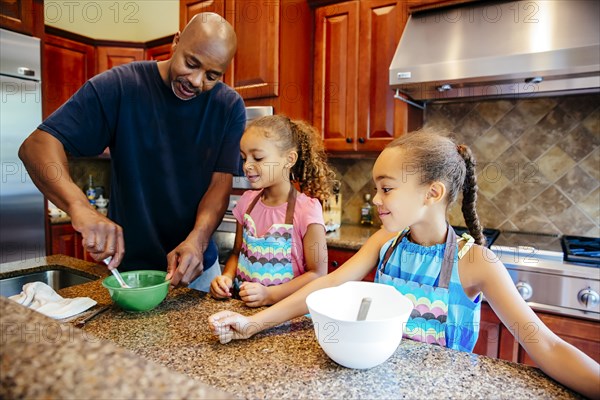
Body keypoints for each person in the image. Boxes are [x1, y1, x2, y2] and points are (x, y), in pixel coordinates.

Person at [208, 130, 600, 398]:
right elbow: (326, 285)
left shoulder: (476, 262)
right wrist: (253, 323)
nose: (376, 199)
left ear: (432, 193)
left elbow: (545, 344)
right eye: (377, 188)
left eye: (386, 188)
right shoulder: (385, 242)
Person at [18, 13, 246, 291]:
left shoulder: (229, 106)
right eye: (191, 63)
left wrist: (198, 240)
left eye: (212, 75)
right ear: (176, 42)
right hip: (129, 273)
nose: (197, 81)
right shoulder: (121, 86)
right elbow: (37, 146)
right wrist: (80, 207)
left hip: (196, 269)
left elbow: (219, 185)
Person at [210, 115, 337, 307]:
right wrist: (226, 277)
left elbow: (318, 274)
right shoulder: (246, 203)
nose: (246, 165)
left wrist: (270, 294)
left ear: (289, 159)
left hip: (287, 318)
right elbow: (237, 253)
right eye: (244, 158)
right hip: (243, 312)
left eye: (258, 158)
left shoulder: (306, 210)